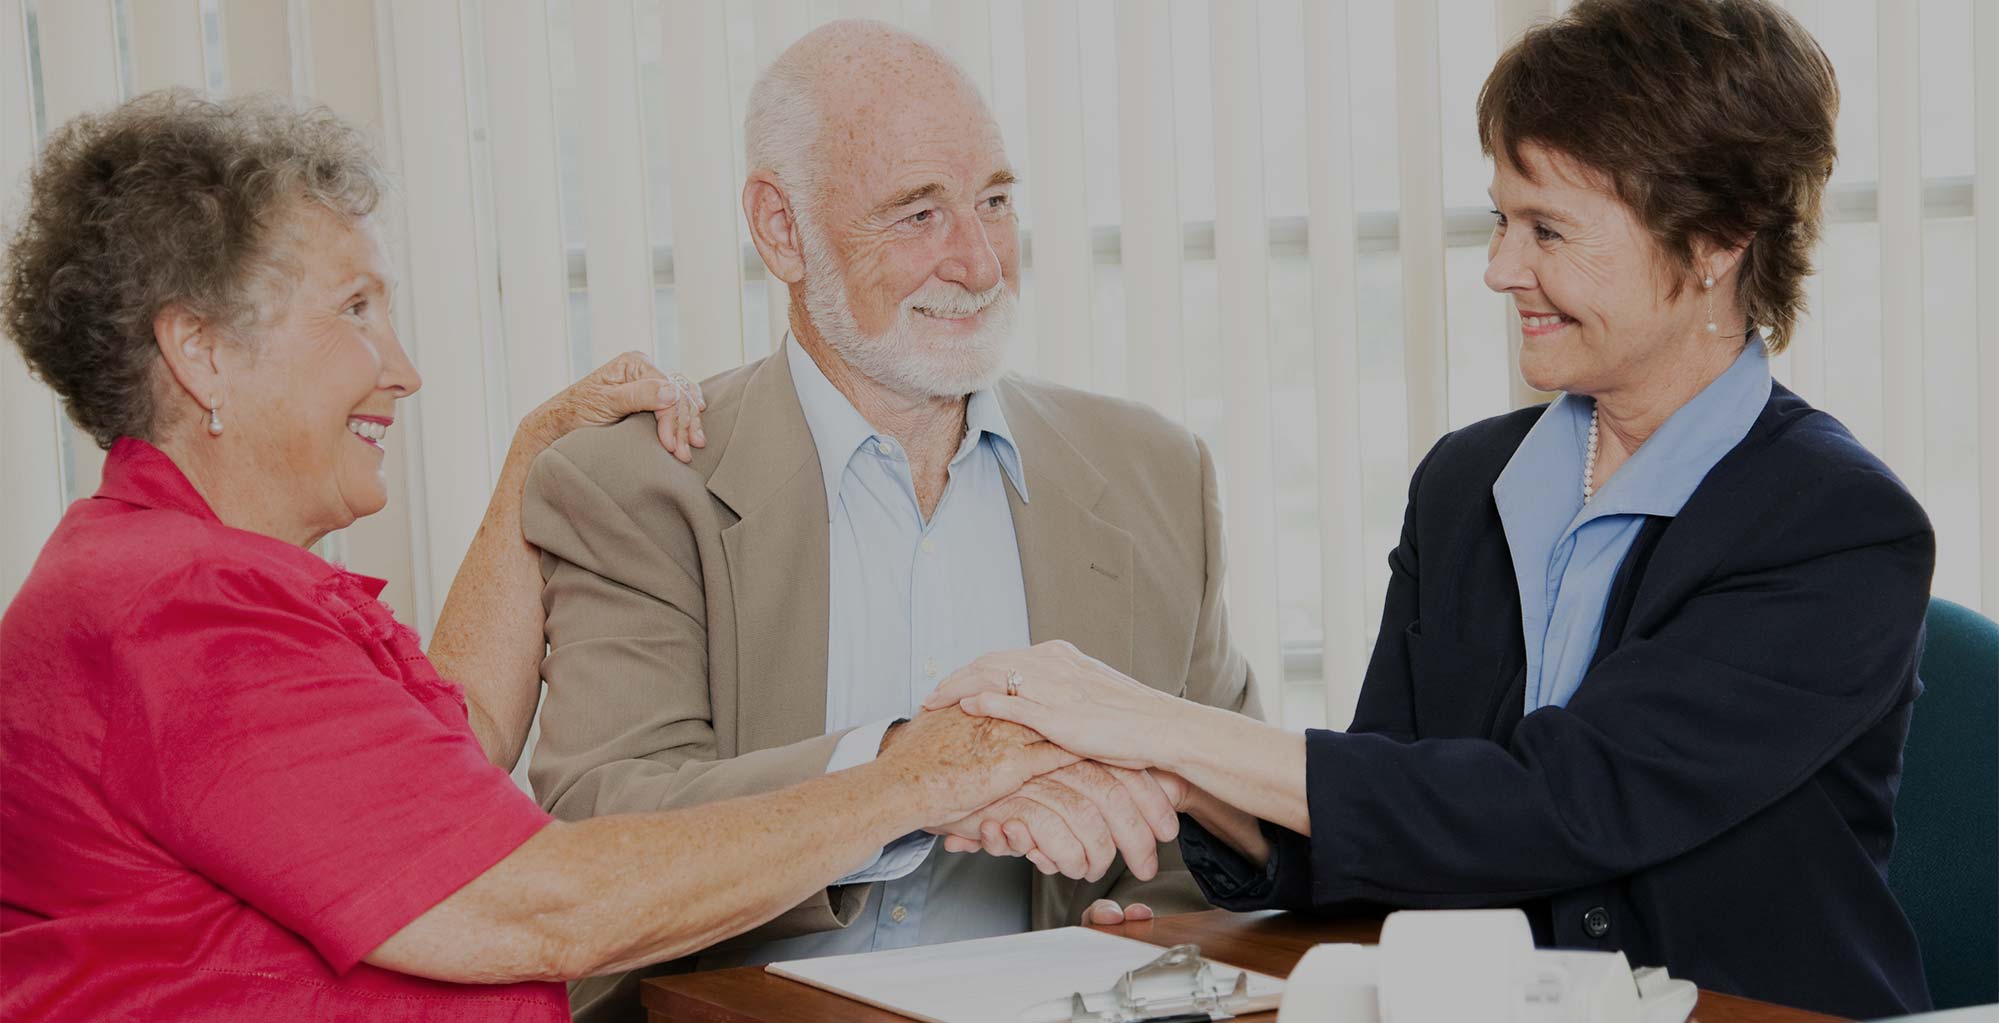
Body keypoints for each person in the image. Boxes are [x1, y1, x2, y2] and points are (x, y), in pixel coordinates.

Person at [925, 0, 1933, 1017]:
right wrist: (1188, 790)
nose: (1500, 269)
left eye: (1548, 229)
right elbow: (1403, 820)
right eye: (1502, 219)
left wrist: (1152, 724)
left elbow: (1555, 809)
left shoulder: (1837, 529)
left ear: (1715, 240)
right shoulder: (1466, 485)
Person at [0, 89, 1081, 1022]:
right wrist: (916, 776)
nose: (403, 370)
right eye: (356, 311)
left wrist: (532, 465)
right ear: (202, 354)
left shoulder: (184, 580)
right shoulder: (176, 610)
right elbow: (541, 903)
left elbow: (443, 756)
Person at [520, 20, 1258, 1019]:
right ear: (780, 228)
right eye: (916, 214)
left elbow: (1232, 822)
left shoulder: (1153, 472)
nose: (977, 261)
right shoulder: (635, 486)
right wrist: (913, 770)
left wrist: (1151, 924)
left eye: (994, 202)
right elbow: (603, 831)